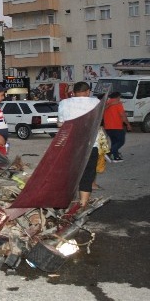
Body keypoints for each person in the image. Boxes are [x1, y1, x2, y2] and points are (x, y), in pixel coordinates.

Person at [57, 81, 101, 209]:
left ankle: (65, 202)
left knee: (69, 173)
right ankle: (83, 204)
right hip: (90, 144)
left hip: (70, 145)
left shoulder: (64, 103)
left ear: (74, 93)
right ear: (88, 91)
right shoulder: (96, 102)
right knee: (87, 174)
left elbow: (61, 124)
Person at [103, 91, 132, 162]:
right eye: (119, 97)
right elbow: (123, 115)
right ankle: (109, 153)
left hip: (107, 127)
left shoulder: (106, 103)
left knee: (114, 142)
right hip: (117, 126)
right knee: (121, 141)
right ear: (118, 97)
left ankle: (116, 157)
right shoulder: (118, 104)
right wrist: (128, 124)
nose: (120, 98)